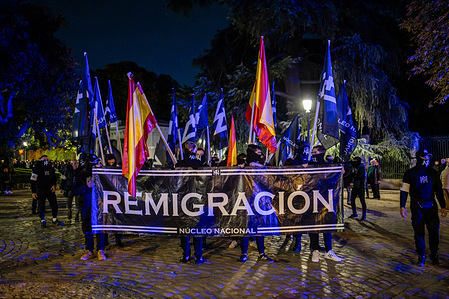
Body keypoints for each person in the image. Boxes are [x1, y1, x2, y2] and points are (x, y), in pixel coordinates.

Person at [400, 149, 447, 266]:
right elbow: (404, 191)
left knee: (434, 232)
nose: (428, 159)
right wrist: (402, 206)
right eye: (426, 157)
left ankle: (434, 254)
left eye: (428, 157)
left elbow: (439, 191)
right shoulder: (410, 173)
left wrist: (443, 206)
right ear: (421, 158)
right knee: (419, 232)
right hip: (417, 206)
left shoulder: (433, 173)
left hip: (431, 206)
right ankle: (421, 254)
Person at [238, 144, 274, 263]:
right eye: (258, 153)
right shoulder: (244, 167)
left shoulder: (260, 167)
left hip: (259, 201)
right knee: (246, 228)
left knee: (259, 228)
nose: (260, 155)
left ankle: (261, 252)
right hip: (247, 200)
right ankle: (244, 253)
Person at [308, 145, 342, 263]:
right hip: (312, 198)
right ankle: (315, 249)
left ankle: (329, 251)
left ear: (321, 153)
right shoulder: (310, 165)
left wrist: (340, 171)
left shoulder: (329, 166)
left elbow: (334, 178)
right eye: (312, 152)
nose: (313, 155)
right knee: (313, 225)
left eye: (315, 152)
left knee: (327, 224)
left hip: (326, 199)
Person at [176, 141, 205, 265]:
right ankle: (198, 256)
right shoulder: (200, 164)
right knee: (195, 228)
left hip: (185, 199)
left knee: (185, 230)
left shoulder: (180, 164)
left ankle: (187, 255)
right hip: (195, 199)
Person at [74, 154, 107, 261]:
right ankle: (89, 250)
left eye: (95, 163)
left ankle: (100, 250)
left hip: (99, 204)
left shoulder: (103, 174)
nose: (94, 166)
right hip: (86, 205)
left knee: (99, 227)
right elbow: (74, 191)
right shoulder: (81, 175)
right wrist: (85, 187)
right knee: (87, 228)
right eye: (91, 164)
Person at [30, 155, 64, 228]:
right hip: (40, 189)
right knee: (41, 206)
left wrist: (54, 185)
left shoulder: (50, 167)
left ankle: (54, 219)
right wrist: (33, 191)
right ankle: (42, 220)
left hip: (49, 189)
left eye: (47, 159)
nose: (46, 161)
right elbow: (33, 180)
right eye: (44, 159)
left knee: (54, 204)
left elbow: (54, 177)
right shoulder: (37, 168)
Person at [348, 157, 367, 221]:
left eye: (355, 161)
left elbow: (358, 176)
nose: (354, 162)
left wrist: (353, 176)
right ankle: (354, 213)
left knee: (362, 201)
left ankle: (364, 216)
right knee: (352, 200)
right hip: (355, 186)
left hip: (361, 186)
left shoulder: (361, 167)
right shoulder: (355, 167)